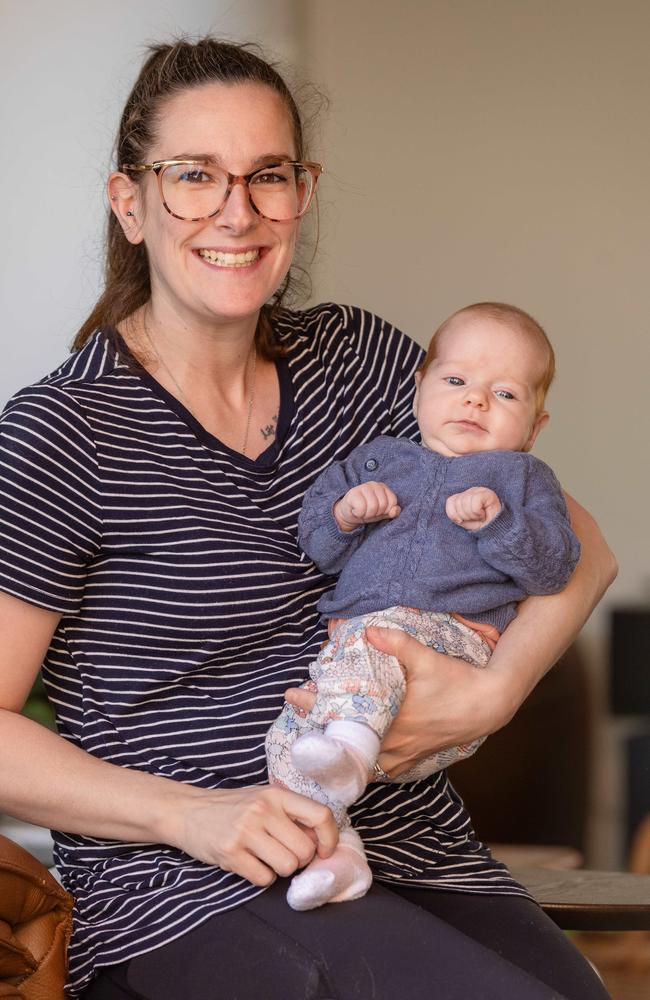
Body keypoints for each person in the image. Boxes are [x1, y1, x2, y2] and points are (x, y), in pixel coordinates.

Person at [0, 37, 616, 1000]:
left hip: (409, 841)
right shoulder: (60, 432)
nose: (236, 213)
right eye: (194, 177)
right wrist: (191, 816)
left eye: (268, 176)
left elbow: (585, 545)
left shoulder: (360, 361)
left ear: (304, 191)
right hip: (193, 883)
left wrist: (490, 696)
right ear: (131, 203)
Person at [266, 301, 582, 912]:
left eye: (506, 394)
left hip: (452, 642)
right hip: (355, 657)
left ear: (536, 427)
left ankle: (350, 754)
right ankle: (340, 856)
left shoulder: (520, 479)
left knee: (377, 640)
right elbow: (316, 545)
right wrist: (345, 513)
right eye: (457, 381)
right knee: (284, 741)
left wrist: (499, 523)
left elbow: (556, 567)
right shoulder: (379, 460)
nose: (475, 401)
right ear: (419, 389)